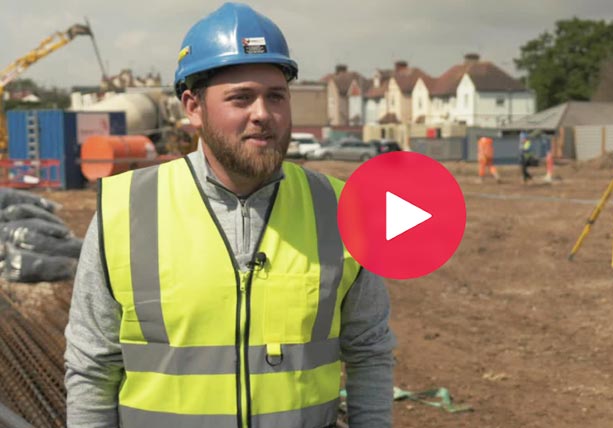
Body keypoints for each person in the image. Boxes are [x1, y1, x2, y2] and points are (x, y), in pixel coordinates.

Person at [64, 3, 395, 428]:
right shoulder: (125, 210)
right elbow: (93, 366)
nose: (263, 114)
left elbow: (369, 351)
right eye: (241, 97)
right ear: (193, 106)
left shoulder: (342, 210)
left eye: (276, 96)